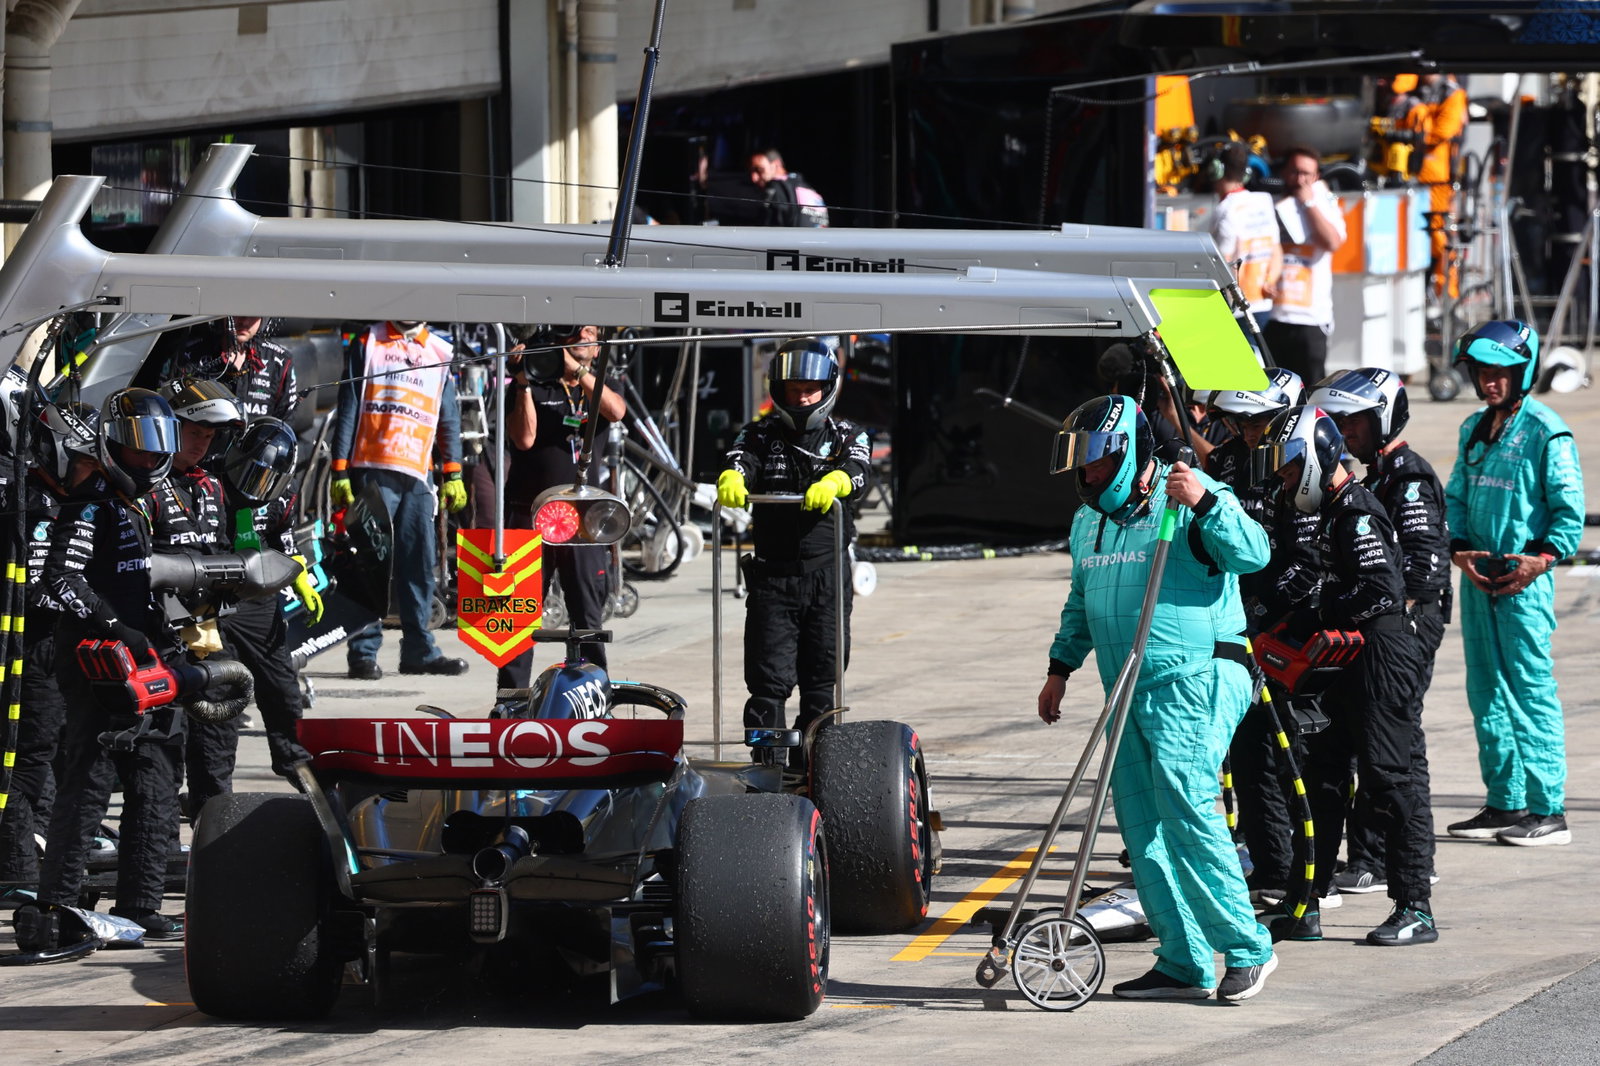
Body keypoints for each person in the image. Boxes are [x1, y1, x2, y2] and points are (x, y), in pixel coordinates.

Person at [1038, 393, 1277, 1002]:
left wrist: (1209, 500)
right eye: (1081, 465)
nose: (1087, 475)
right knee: (1142, 828)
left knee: (1186, 801)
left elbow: (1253, 553)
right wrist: (1061, 667)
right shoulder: (1088, 521)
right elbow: (1081, 601)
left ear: (1126, 453)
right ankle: (1182, 961)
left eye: (1096, 462)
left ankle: (1248, 948)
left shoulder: (1187, 499)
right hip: (1126, 687)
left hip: (1195, 677)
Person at [1257, 406, 1437, 946]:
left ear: (1317, 458)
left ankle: (1415, 907)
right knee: (1322, 781)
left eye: (1290, 468)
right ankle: (1303, 904)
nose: (1285, 480)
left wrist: (1321, 606)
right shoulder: (1334, 509)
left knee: (1389, 780)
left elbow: (1381, 589)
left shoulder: (1357, 512)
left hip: (1384, 658)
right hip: (1348, 659)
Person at [17, 388, 187, 950]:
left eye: (154, 449)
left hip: (143, 655)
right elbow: (61, 581)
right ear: (112, 444)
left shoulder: (142, 504)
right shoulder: (89, 504)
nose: (147, 459)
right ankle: (57, 908)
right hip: (95, 655)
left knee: (156, 777)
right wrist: (116, 627)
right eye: (136, 449)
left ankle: (141, 903)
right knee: (87, 779)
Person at [1307, 369, 1450, 892]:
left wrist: (1398, 634)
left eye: (1355, 420)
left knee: (1398, 749)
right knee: (1371, 747)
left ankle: (1409, 862)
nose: (1346, 431)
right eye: (1339, 421)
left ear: (1383, 417)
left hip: (1406, 628)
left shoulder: (1407, 478)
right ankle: (1367, 857)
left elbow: (1422, 568)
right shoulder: (1378, 476)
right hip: (1386, 629)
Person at [1444, 321, 1584, 846]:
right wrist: (1459, 552)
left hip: (1524, 583)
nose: (1489, 381)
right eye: (1482, 372)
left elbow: (1569, 514)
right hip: (1479, 579)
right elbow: (1455, 497)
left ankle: (1549, 810)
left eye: (1499, 371)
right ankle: (1506, 802)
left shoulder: (1548, 431)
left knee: (1530, 691)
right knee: (1485, 693)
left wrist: (1540, 561)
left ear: (1520, 371)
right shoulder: (1474, 429)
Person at [1200, 370, 1320, 906]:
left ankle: (1313, 870)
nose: (1247, 434)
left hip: (1290, 631)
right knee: (1245, 752)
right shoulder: (1224, 461)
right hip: (1235, 629)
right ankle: (1271, 867)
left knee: (1291, 754)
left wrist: (1264, 615)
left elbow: (1311, 565)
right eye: (1236, 422)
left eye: (1258, 423)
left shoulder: (1301, 468)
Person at [718, 338, 870, 752]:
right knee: (768, 681)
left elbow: (858, 470)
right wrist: (734, 478)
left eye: (809, 389)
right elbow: (740, 460)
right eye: (793, 390)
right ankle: (767, 766)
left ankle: (818, 764)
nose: (801, 398)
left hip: (826, 575)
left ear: (827, 389)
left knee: (823, 677)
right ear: (778, 389)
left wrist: (837, 480)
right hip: (773, 576)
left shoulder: (847, 435)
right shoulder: (760, 434)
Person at [331, 319, 469, 679]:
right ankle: (363, 653)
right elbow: (348, 405)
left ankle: (419, 651)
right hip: (371, 467)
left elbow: (448, 414)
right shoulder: (370, 340)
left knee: (420, 565)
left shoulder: (439, 350)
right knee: (370, 564)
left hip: (418, 473)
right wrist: (340, 469)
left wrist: (453, 471)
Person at [0, 403, 99, 896]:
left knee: (53, 752)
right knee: (26, 754)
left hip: (53, 647)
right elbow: (42, 586)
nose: (89, 472)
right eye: (82, 461)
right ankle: (17, 865)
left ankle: (35, 849)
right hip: (27, 645)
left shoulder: (76, 500)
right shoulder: (25, 499)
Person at [500, 324, 625, 682]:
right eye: (577, 331)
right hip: (531, 511)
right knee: (519, 610)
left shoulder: (601, 382)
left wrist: (580, 373)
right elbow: (523, 439)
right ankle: (512, 698)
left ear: (599, 346)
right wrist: (523, 381)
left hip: (582, 517)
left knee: (587, 612)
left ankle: (593, 689)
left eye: (591, 332)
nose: (584, 336)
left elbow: (616, 412)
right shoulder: (536, 381)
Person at [148, 380, 245, 822]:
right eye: (195, 433)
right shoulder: (144, 484)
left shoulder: (212, 486)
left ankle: (213, 831)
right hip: (155, 630)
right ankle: (163, 841)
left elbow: (226, 547)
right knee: (163, 747)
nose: (202, 444)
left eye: (209, 436)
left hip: (205, 627)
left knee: (219, 728)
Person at [217, 418, 318, 778]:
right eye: (250, 473)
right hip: (214, 601)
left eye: (266, 479)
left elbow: (283, 541)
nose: (255, 485)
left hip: (259, 601)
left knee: (284, 690)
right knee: (224, 703)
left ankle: (298, 771)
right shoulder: (209, 483)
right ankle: (213, 798)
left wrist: (300, 573)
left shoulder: (283, 498)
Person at [1262, 147, 1347, 385]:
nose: (1300, 179)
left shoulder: (1324, 203)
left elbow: (1332, 241)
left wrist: (1308, 204)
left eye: (1306, 174)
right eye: (1294, 172)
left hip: (1310, 319)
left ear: (1316, 177)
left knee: (1311, 389)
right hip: (1275, 316)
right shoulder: (1270, 202)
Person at [1391, 73, 1469, 300]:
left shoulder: (1451, 92)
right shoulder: (1410, 84)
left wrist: (1418, 120)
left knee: (1438, 236)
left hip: (1436, 177)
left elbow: (1444, 130)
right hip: (1404, 173)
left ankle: (1446, 294)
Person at [140, 315, 299, 425]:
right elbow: (162, 406)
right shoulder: (187, 355)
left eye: (253, 314)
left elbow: (284, 423)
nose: (244, 321)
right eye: (238, 311)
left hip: (247, 464)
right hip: (195, 460)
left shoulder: (279, 361)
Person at [1209, 141, 1283, 332]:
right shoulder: (1263, 201)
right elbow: (1276, 250)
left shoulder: (1226, 210)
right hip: (1262, 302)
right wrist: (1269, 282)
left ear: (1216, 170)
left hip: (1235, 309)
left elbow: (1224, 262)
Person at [749, 149, 829, 228]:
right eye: (751, 171)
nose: (754, 178)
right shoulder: (811, 190)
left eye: (759, 170)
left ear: (777, 164)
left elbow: (768, 232)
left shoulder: (776, 186)